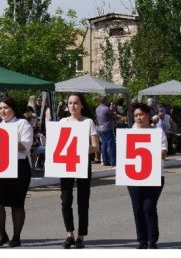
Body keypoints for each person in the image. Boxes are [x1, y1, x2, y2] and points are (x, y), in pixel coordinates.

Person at [0, 97, 33, 248]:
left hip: (19, 166)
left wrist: (5, 141)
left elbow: (26, 145)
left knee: (17, 203)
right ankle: (2, 234)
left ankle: (16, 236)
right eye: (0, 108)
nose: (2, 111)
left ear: (13, 109)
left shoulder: (22, 123)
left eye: (6, 108)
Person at [59, 93, 100, 249]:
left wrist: (79, 148)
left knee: (83, 201)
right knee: (65, 200)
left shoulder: (88, 122)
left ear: (82, 105)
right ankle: (69, 234)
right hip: (66, 164)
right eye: (70, 103)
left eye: (76, 103)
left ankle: (81, 236)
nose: (72, 106)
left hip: (82, 163)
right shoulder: (62, 122)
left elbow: (95, 146)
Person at [126, 103, 168, 249]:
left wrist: (148, 152)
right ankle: (142, 241)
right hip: (134, 176)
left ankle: (152, 240)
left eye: (141, 114)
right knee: (137, 208)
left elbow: (163, 153)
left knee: (148, 207)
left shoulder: (157, 131)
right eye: (136, 115)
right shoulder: (130, 132)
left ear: (148, 115)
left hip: (154, 175)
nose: (138, 118)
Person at [95, 97, 116, 167]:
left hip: (100, 129)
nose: (108, 102)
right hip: (107, 128)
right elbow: (114, 115)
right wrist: (112, 109)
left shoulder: (97, 109)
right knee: (111, 145)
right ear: (105, 101)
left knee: (104, 145)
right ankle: (113, 162)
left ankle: (105, 161)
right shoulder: (107, 109)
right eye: (107, 101)